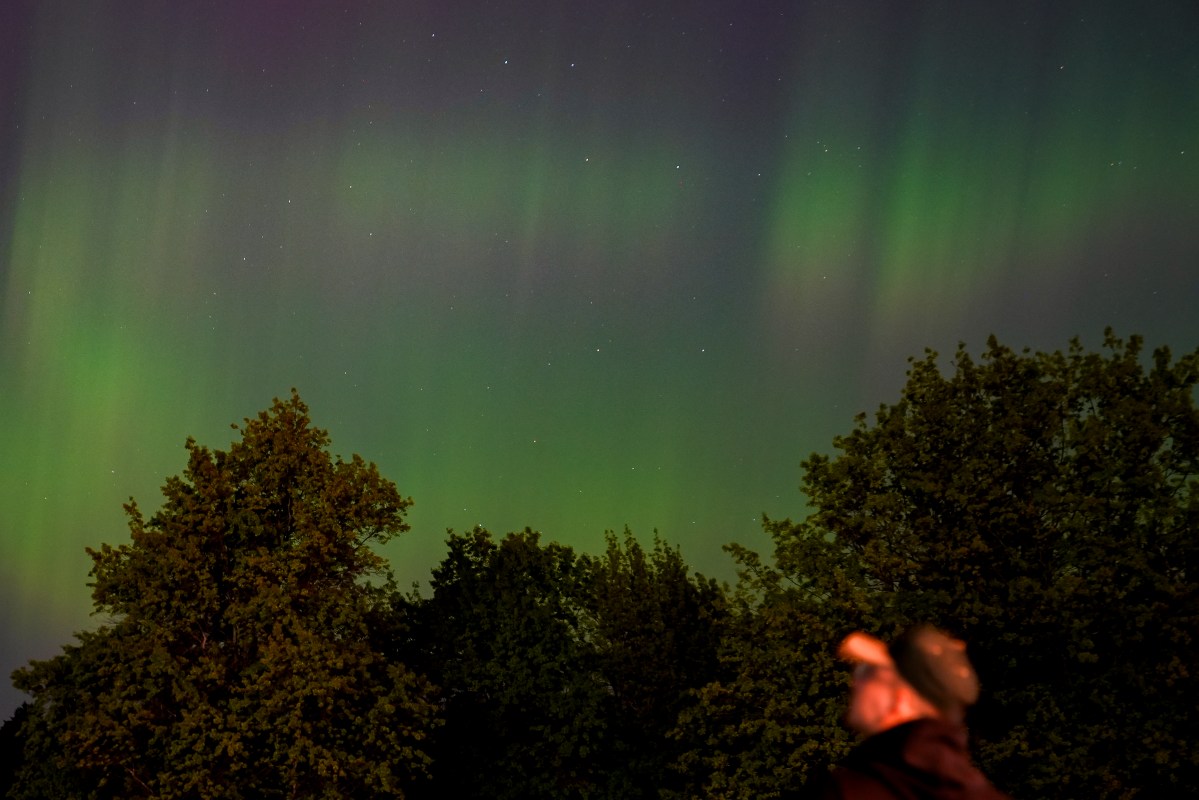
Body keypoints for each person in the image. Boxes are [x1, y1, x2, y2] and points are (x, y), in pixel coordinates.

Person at [805, 624, 1011, 799]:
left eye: (868, 672)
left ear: (901, 697)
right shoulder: (980, 792)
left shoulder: (851, 790)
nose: (856, 682)